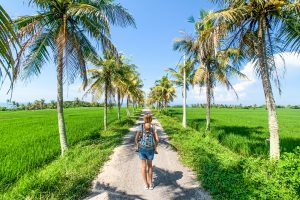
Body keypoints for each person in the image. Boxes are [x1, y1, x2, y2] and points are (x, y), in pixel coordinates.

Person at [135, 121, 159, 190]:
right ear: (151, 120)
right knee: (150, 166)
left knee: (143, 166)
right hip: (150, 150)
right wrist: (155, 147)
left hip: (142, 149)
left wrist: (137, 146)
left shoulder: (141, 126)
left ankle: (146, 184)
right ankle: (150, 184)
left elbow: (136, 139)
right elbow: (157, 140)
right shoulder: (153, 127)